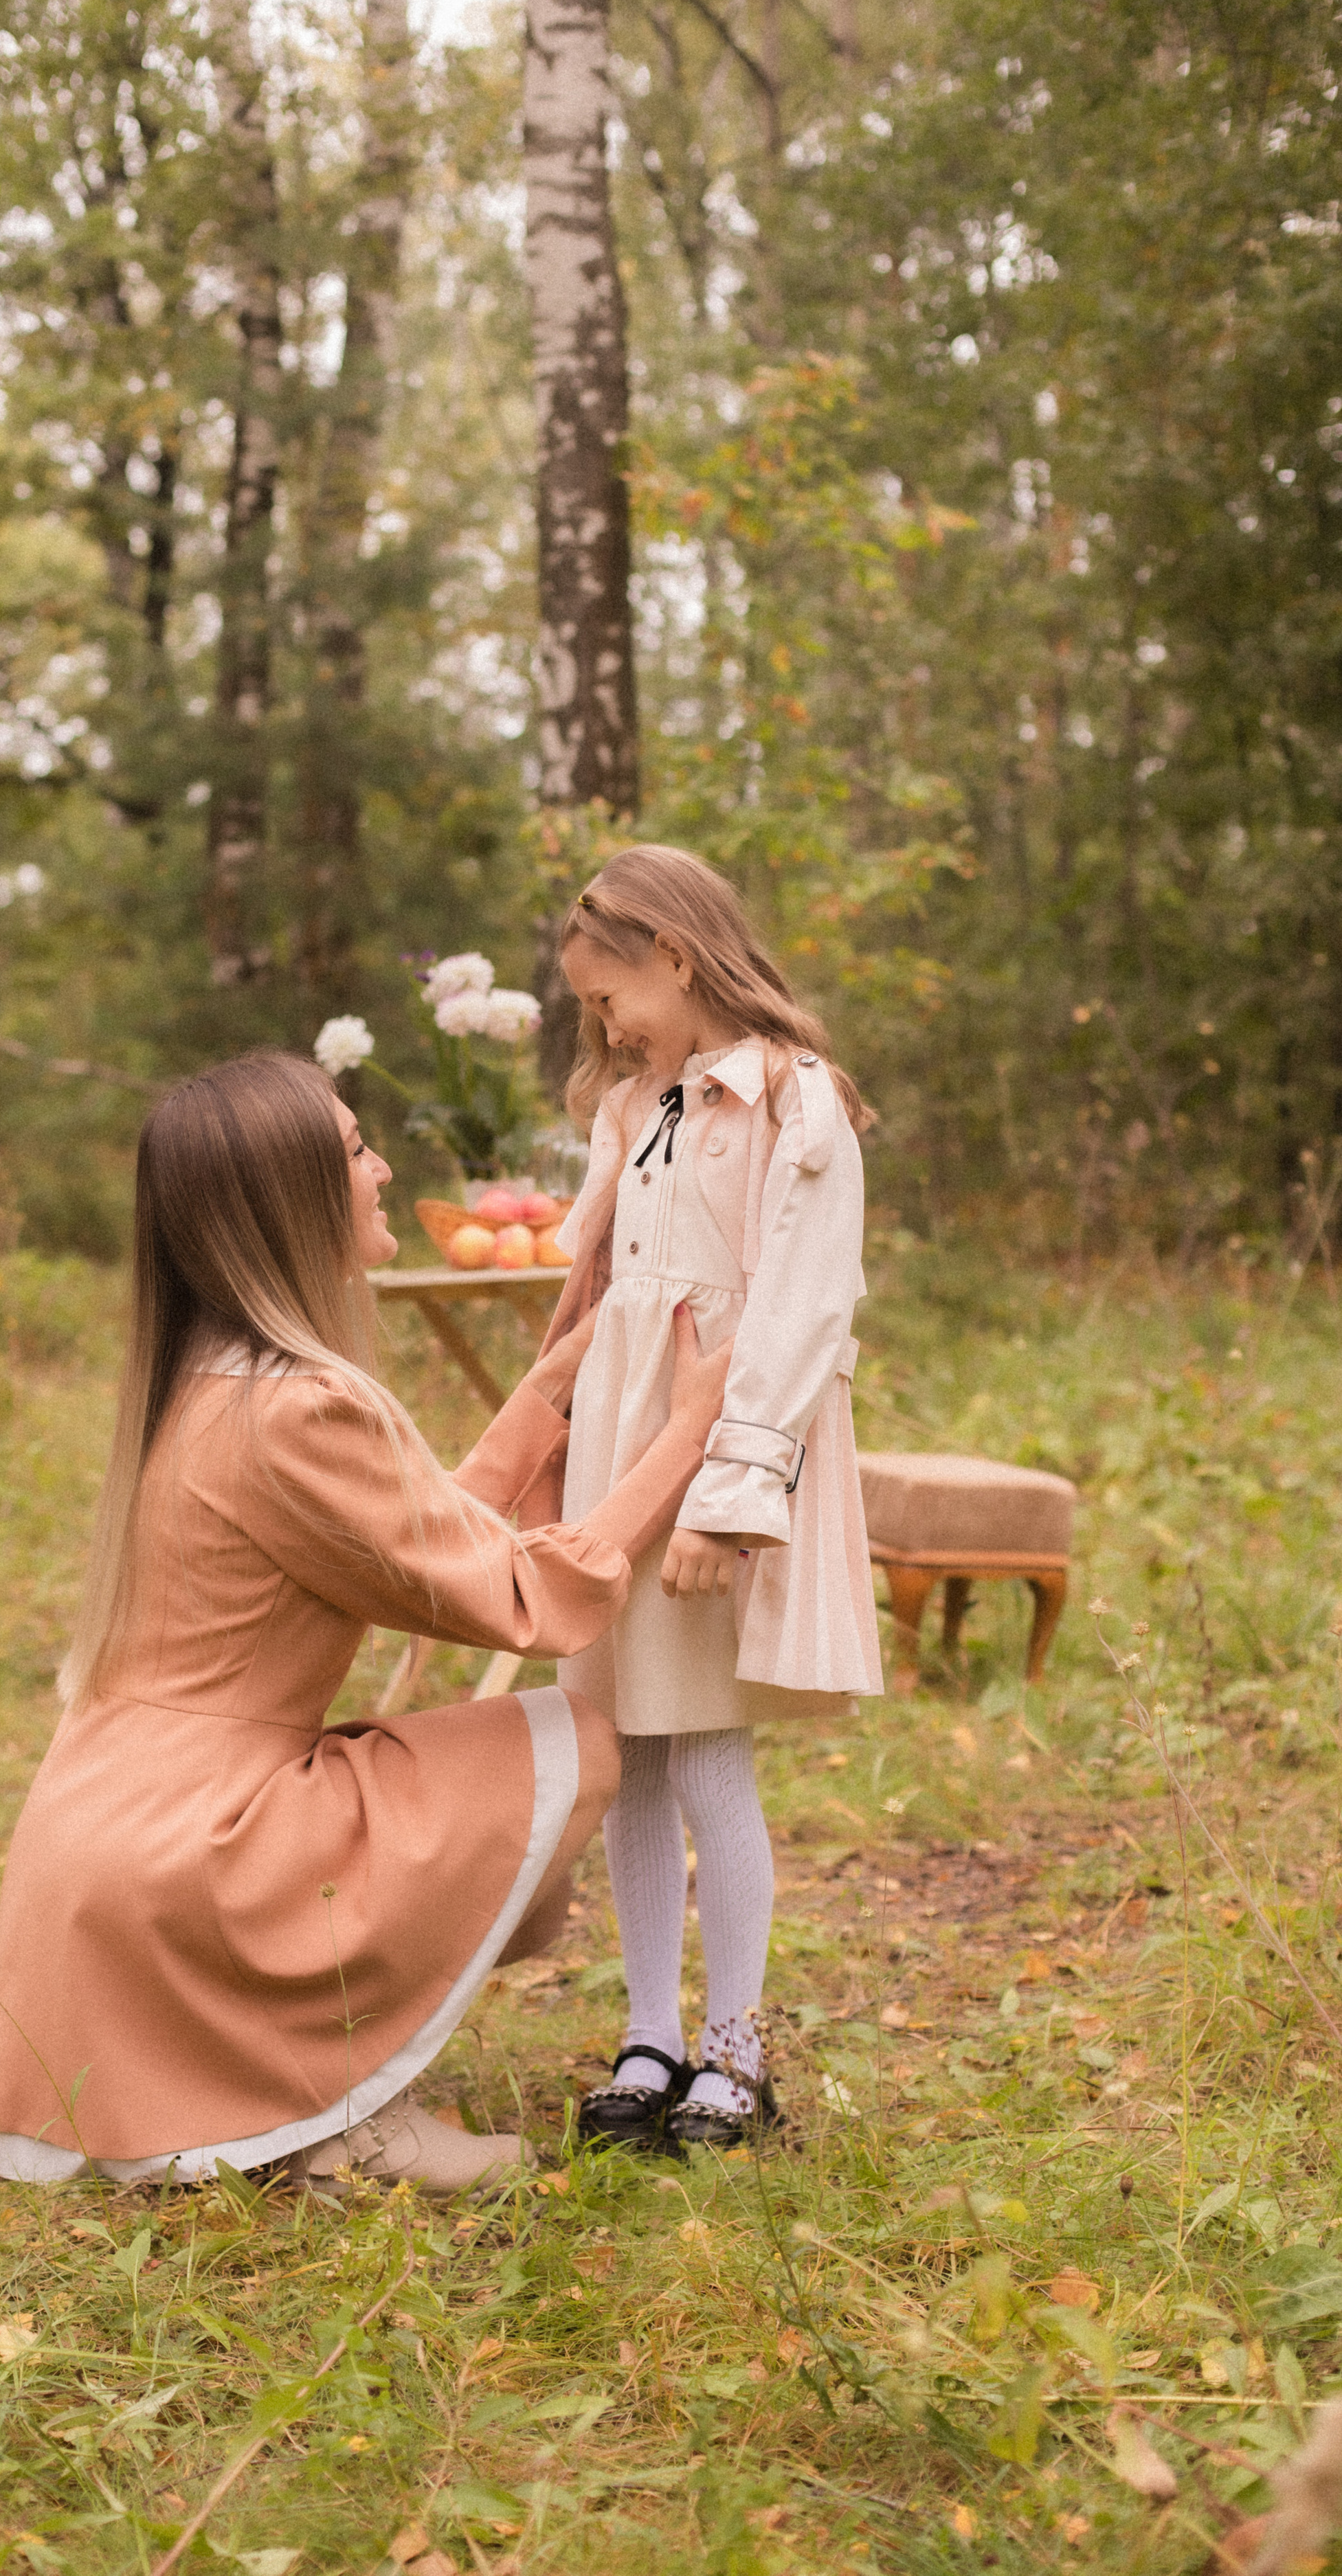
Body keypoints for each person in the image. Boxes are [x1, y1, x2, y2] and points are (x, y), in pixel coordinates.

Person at [0, 1050, 728, 2195]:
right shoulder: (300, 1408)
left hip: (105, 1842)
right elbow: (529, 1602)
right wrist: (691, 1433)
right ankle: (339, 2112)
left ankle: (300, 2097)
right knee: (572, 1744)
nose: (383, 1171)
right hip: (194, 1851)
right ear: (294, 1201)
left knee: (495, 1782)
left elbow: (414, 1538)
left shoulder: (214, 1381)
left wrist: (548, 1388)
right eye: (358, 1151)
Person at [541, 845, 882, 2152]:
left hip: (712, 1451)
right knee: (625, 1745)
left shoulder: (798, 1101)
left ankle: (736, 2047)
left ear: (677, 958)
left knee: (706, 1750)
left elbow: (802, 1311)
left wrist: (728, 1496)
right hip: (619, 1450)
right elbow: (602, 1293)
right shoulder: (635, 1106)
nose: (604, 1028)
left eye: (610, 998)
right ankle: (651, 2036)